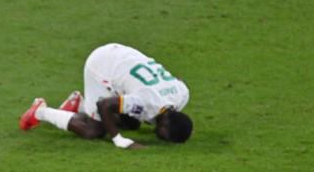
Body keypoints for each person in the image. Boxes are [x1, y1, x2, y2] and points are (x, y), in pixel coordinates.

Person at [19, 43, 193, 149]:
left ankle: (79, 104)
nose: (160, 137)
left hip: (125, 56)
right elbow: (105, 106)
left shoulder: (182, 94)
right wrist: (118, 139)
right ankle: (40, 111)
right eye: (164, 134)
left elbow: (176, 80)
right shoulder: (146, 102)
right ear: (166, 123)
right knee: (94, 130)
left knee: (131, 122)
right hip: (102, 64)